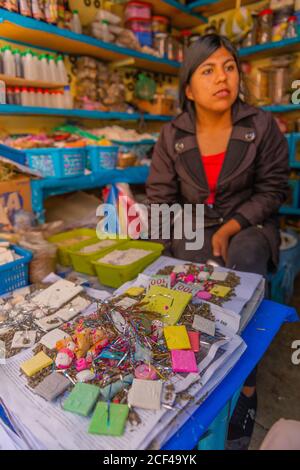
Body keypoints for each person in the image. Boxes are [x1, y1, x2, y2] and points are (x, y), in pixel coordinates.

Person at [146, 34, 289, 450]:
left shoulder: (260, 125)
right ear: (188, 88)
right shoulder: (172, 135)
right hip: (194, 223)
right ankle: (192, 374)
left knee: (244, 259)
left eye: (228, 66)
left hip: (249, 222)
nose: (221, 77)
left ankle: (245, 383)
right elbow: (161, 200)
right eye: (207, 70)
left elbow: (273, 189)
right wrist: (189, 242)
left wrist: (231, 227)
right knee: (190, 271)